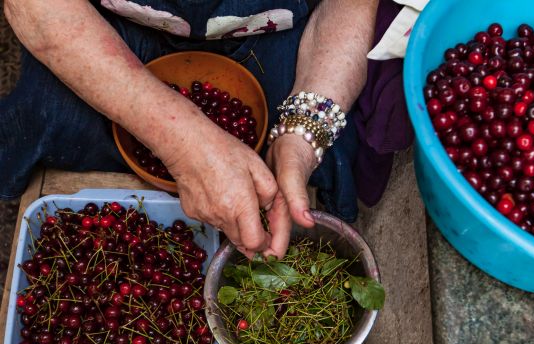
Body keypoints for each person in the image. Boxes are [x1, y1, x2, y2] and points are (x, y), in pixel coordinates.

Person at [2, 0, 378, 258]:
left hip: (272, 34)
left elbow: (348, 7)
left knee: (324, 164)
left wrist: (301, 135)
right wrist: (181, 142)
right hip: (101, 31)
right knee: (49, 117)